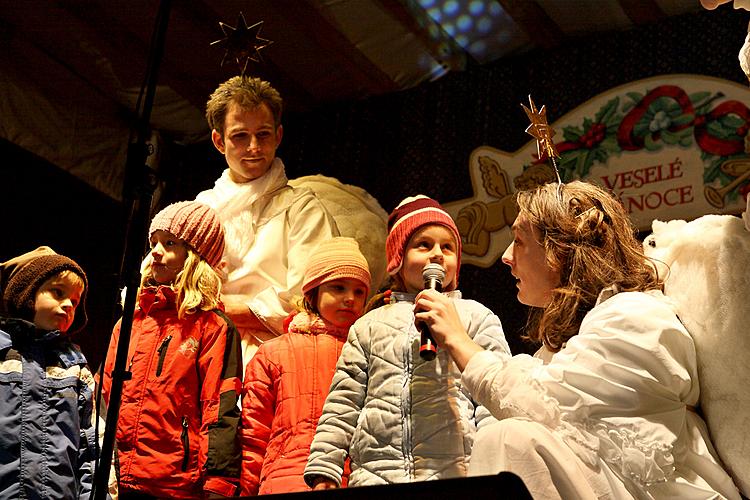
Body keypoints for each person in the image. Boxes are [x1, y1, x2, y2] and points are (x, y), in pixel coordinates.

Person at [415, 181, 741, 499]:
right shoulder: (569, 342)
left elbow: (541, 406)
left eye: (519, 240)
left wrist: (459, 341)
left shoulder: (636, 317)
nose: (506, 256)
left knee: (511, 440)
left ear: (559, 250)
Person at [303, 195, 511, 489]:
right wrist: (325, 467)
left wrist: (495, 468)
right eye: (423, 245)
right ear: (397, 259)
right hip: (376, 476)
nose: (437, 254)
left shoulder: (477, 317)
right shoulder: (368, 325)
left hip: (456, 473)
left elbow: (494, 399)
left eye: (448, 247)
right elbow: (343, 403)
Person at [100, 201, 243, 499]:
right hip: (115, 481)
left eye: (169, 243)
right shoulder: (129, 323)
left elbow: (219, 408)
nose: (156, 252)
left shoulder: (212, 327)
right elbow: (103, 398)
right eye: (153, 243)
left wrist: (218, 483)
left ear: (195, 256)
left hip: (175, 484)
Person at [196, 76, 339, 367]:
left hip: (274, 355)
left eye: (262, 134)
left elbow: (314, 297)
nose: (253, 147)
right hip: (200, 350)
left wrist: (233, 309)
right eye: (239, 136)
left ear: (278, 135)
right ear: (218, 141)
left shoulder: (303, 209)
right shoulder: (201, 210)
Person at [240, 237, 371, 495]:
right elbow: (253, 435)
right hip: (283, 480)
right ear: (313, 292)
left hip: (351, 479)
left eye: (359, 292)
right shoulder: (273, 352)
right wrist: (246, 491)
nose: (350, 299)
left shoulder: (370, 353)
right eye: (339, 288)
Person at [0, 246, 96, 499]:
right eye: (57, 292)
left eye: (75, 301)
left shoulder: (75, 367)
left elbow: (90, 448)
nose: (68, 305)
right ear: (26, 293)